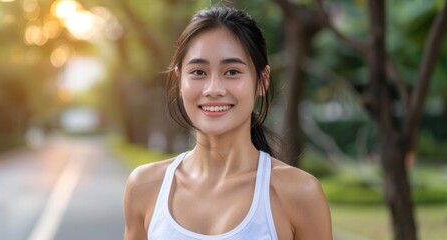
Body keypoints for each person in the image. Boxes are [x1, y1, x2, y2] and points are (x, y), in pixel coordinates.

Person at [123, 6, 332, 240]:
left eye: (232, 72)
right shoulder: (145, 186)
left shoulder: (298, 193)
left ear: (262, 80)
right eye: (199, 72)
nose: (214, 89)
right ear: (179, 80)